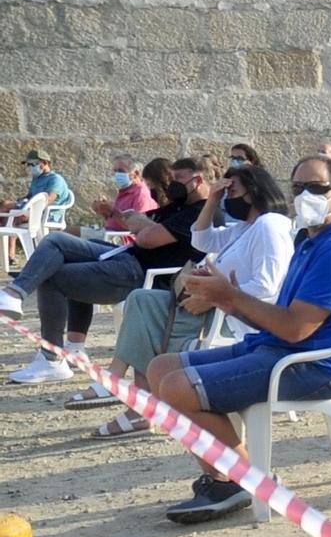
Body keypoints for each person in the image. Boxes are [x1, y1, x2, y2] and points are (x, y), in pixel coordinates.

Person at [143, 154, 331, 524]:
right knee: (160, 368)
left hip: (314, 365)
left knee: (178, 387)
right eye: (299, 188)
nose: (307, 195)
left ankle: (249, 479)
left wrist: (230, 297)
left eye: (317, 188)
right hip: (279, 347)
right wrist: (224, 300)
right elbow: (282, 320)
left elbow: (295, 329)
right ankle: (225, 478)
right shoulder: (311, 240)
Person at [79, 163, 296, 436]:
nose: (228, 197)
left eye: (233, 191)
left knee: (149, 322)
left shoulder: (268, 225)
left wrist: (216, 295)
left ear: (253, 192)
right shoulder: (245, 227)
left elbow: (268, 286)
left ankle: (133, 401)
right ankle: (125, 389)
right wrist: (212, 200)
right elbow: (201, 241)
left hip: (238, 316)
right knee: (142, 301)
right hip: (219, 307)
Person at [2, 154, 211, 384]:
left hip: (140, 272)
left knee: (54, 278)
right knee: (57, 240)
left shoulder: (199, 212)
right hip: (125, 255)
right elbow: (135, 224)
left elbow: (147, 239)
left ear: (198, 180)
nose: (173, 184)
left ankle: (51, 359)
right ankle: (68, 343)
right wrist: (140, 224)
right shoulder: (181, 206)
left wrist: (144, 227)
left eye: (179, 178)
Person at [108, 153, 157, 219]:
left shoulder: (141, 194)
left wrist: (113, 211)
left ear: (136, 173)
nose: (117, 174)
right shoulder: (125, 191)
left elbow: (139, 224)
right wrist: (104, 211)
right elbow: (114, 222)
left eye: (121, 171)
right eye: (115, 171)